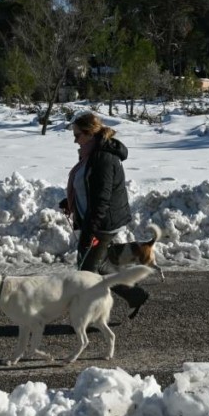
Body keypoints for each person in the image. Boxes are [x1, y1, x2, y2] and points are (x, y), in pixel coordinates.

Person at [60, 111, 150, 319]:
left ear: (90, 134)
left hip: (102, 223)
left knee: (87, 274)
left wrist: (91, 231)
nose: (75, 140)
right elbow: (88, 186)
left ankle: (89, 317)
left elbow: (102, 199)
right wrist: (71, 202)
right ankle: (135, 295)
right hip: (95, 219)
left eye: (77, 135)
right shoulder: (91, 153)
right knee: (97, 267)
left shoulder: (103, 158)